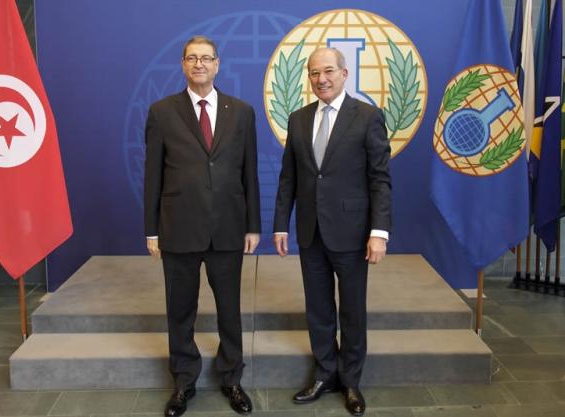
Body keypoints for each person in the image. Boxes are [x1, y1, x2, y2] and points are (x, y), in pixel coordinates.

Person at [144, 35, 261, 417]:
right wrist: (152, 231)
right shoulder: (162, 112)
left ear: (217, 64)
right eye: (192, 58)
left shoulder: (241, 112)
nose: (199, 64)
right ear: (182, 65)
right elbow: (152, 177)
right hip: (178, 227)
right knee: (180, 309)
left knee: (230, 309)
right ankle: (184, 380)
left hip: (229, 227)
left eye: (206, 58)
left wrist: (253, 225)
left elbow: (250, 174)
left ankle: (232, 378)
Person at [273, 47, 391, 417]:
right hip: (311, 231)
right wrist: (281, 224)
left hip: (354, 232)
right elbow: (288, 177)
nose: (320, 79)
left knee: (352, 310)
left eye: (327, 71)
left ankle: (351, 380)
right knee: (319, 309)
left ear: (344, 74)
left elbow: (380, 179)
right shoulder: (297, 119)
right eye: (313, 73)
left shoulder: (368, 117)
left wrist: (379, 231)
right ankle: (325, 373)